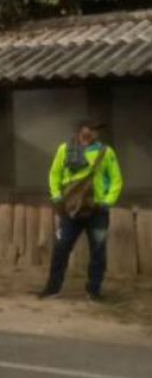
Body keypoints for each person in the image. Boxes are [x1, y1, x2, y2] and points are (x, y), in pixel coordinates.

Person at [40, 119, 123, 301]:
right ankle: (52, 288)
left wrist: (108, 201)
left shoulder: (106, 152)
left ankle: (93, 290)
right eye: (91, 128)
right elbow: (54, 173)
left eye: (97, 130)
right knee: (61, 248)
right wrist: (56, 196)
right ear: (80, 130)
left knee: (98, 251)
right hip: (70, 209)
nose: (94, 132)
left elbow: (116, 179)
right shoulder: (64, 149)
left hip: (97, 210)